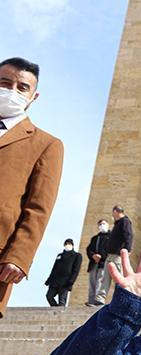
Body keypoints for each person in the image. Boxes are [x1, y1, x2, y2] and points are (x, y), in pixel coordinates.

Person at [0, 57, 64, 318]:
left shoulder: (46, 144)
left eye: (22, 87)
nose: (12, 91)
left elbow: (39, 208)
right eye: (5, 83)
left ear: (33, 96)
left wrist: (19, 256)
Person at [96, 205, 133, 304]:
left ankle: (121, 299)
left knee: (119, 278)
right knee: (105, 278)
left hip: (117, 255)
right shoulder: (117, 224)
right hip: (110, 255)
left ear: (115, 211)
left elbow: (128, 235)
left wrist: (127, 250)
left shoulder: (125, 221)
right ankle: (100, 299)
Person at [44, 239, 82, 307]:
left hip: (66, 282)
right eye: (66, 244)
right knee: (49, 296)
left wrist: (71, 281)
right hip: (55, 281)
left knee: (62, 301)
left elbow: (76, 270)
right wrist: (48, 280)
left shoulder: (77, 256)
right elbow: (54, 269)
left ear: (72, 245)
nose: (67, 245)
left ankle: (59, 313)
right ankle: (55, 309)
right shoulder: (60, 255)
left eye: (69, 244)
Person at [85, 219, 111, 306]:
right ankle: (91, 301)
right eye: (100, 224)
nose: (102, 225)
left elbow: (111, 250)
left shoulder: (111, 237)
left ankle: (98, 300)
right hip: (94, 263)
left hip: (103, 263)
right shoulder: (95, 238)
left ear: (107, 225)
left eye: (103, 223)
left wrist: (101, 257)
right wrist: (93, 256)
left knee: (100, 281)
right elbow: (89, 249)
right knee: (92, 282)